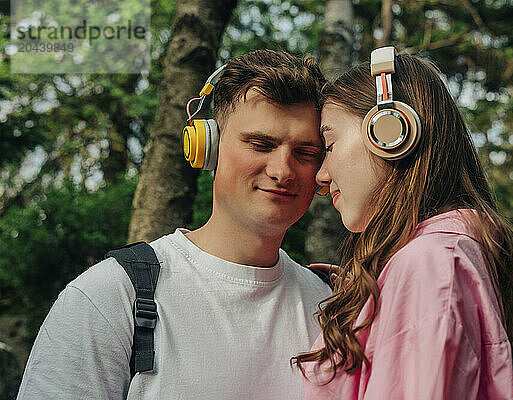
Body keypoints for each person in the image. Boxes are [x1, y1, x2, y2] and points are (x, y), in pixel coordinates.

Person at [18, 50, 331, 399]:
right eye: (260, 145)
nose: (282, 170)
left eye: (305, 153)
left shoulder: (331, 305)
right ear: (207, 146)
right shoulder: (111, 296)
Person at [292, 47, 513, 399]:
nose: (321, 175)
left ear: (389, 133)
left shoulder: (430, 266)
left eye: (330, 144)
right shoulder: (440, 260)